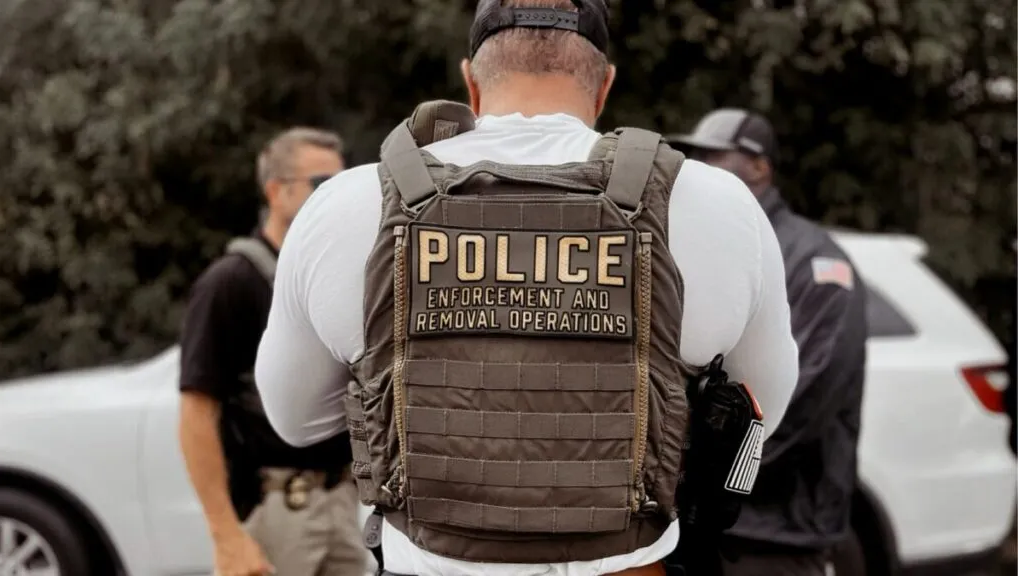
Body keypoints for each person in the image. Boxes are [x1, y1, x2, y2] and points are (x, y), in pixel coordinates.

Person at [253, 2, 800, 575]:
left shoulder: (344, 206)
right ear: (604, 85)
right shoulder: (719, 205)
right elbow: (758, 411)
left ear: (470, 81)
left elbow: (295, 421)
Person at [668, 109, 869, 576]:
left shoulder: (816, 262)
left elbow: (804, 398)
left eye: (712, 156)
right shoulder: (715, 247)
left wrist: (705, 474)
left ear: (759, 167)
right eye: (693, 155)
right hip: (704, 526)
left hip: (776, 534)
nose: (697, 167)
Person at [178, 127, 371, 576]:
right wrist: (226, 537)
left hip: (342, 502)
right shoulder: (231, 282)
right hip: (276, 506)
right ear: (275, 191)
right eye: (321, 184)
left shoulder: (335, 276)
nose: (334, 197)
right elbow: (196, 415)